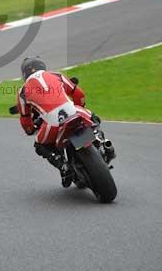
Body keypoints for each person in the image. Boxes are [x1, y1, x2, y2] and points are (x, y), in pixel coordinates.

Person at [15, 56, 115, 184]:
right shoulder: (57, 75)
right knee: (93, 117)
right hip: (74, 112)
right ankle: (102, 143)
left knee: (39, 145)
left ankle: (62, 165)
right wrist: (80, 106)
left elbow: (25, 119)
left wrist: (30, 129)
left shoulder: (22, 92)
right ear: (43, 66)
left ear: (24, 73)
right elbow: (79, 94)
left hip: (53, 123)